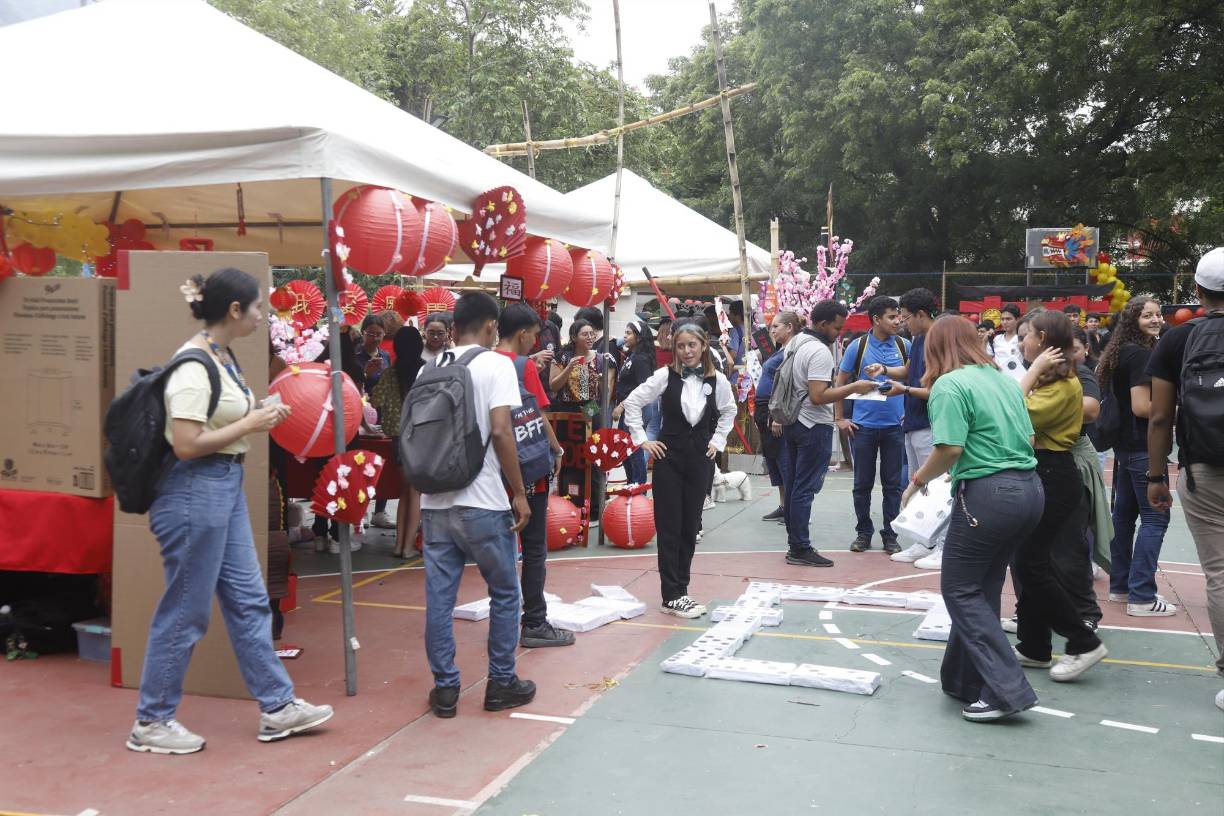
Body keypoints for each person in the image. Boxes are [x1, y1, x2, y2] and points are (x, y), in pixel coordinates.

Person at [127, 269, 332, 755]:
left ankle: (277, 706)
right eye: (257, 307)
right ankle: (152, 720)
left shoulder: (221, 357)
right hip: (194, 490)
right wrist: (253, 422)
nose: (263, 316)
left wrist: (258, 413)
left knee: (248, 600)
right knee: (186, 610)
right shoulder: (194, 365)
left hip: (222, 486)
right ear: (235, 310)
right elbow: (186, 443)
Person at [904, 315, 1042, 722]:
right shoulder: (1003, 380)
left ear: (935, 348)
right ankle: (963, 678)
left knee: (960, 589)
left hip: (989, 496)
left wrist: (917, 481)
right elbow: (1028, 437)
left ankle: (1006, 691)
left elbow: (949, 448)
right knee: (983, 587)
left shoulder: (949, 385)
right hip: (1029, 490)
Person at [420, 291, 535, 718]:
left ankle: (445, 689)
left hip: (435, 500)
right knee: (504, 592)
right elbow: (501, 431)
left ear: (453, 326)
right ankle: (501, 682)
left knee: (439, 599)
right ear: (491, 326)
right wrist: (518, 492)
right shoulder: (495, 365)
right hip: (483, 499)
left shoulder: (430, 367)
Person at [1147, 247, 1224, 710]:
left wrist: (1156, 475)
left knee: (1220, 572)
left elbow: (1160, 417)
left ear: (1197, 290)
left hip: (1204, 470)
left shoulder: (1177, 340)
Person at [1011, 311, 1107, 680]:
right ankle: (1034, 646)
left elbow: (1010, 412)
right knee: (1028, 562)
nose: (1022, 341)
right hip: (1042, 472)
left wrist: (1033, 371)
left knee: (1032, 563)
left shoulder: (1062, 384)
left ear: (1043, 340)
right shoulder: (1050, 379)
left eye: (1028, 335)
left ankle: (1084, 641)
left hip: (1053, 474)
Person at [622, 321, 736, 617]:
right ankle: (671, 595)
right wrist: (643, 440)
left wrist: (718, 441)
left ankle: (681, 590)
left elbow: (729, 410)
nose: (686, 351)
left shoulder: (717, 380)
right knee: (669, 526)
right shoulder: (664, 375)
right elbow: (632, 402)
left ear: (703, 346)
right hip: (669, 459)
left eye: (692, 345)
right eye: (681, 346)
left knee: (690, 526)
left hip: (700, 459)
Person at [775, 301, 878, 566]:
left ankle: (795, 544)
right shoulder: (819, 351)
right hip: (812, 425)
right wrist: (854, 387)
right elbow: (818, 395)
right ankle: (800, 547)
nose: (839, 333)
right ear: (822, 324)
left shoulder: (795, 343)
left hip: (793, 422)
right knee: (804, 489)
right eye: (836, 328)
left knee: (795, 486)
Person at [494, 304, 570, 648]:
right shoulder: (521, 365)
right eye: (535, 335)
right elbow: (536, 415)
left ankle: (504, 622)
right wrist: (557, 450)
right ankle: (535, 621)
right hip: (525, 467)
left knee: (500, 548)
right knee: (534, 547)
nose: (535, 342)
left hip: (491, 472)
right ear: (523, 333)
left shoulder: (482, 362)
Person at [1097, 296, 1175, 616]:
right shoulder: (1140, 355)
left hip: (1126, 447)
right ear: (1133, 321)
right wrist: (1179, 408)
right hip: (1143, 446)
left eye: (1158, 314)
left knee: (1124, 516)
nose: (1156, 320)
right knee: (1156, 517)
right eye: (1147, 316)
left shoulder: (1122, 351)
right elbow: (1142, 407)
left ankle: (1120, 586)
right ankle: (1142, 595)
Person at [836, 295, 911, 554]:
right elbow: (840, 382)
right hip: (863, 427)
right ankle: (863, 533)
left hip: (895, 427)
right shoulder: (858, 347)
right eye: (892, 317)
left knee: (893, 485)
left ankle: (890, 534)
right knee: (862, 484)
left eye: (899, 316)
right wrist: (840, 418)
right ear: (877, 319)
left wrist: (909, 411)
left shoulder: (904, 345)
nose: (898, 321)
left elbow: (912, 378)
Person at [884, 289, 943, 566]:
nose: (902, 323)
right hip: (914, 421)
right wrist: (884, 370)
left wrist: (905, 390)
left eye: (906, 318)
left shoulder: (939, 340)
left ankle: (943, 545)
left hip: (932, 424)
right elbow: (909, 371)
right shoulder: (918, 339)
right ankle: (924, 541)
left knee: (937, 485)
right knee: (919, 484)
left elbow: (939, 390)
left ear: (921, 314)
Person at [369, 326, 426, 555]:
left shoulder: (389, 374)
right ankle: (408, 546)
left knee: (405, 490)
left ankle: (399, 545)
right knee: (415, 492)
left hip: (397, 438)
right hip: (419, 437)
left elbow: (375, 401)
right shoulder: (425, 371)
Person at [755, 311, 800, 521]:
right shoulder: (780, 350)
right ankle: (783, 505)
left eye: (775, 326)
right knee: (773, 459)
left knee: (784, 460)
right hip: (764, 408)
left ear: (789, 327)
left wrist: (777, 416)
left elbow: (788, 385)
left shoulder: (793, 351)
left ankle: (793, 508)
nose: (772, 330)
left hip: (775, 409)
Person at [611, 320, 658, 486]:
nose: (625, 336)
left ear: (639, 337)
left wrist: (621, 405)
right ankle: (632, 483)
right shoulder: (632, 356)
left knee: (633, 447)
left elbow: (642, 389)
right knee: (625, 448)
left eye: (628, 333)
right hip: (629, 408)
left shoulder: (641, 359)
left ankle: (638, 486)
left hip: (636, 409)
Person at [356, 314, 390, 392]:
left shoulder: (385, 356)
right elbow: (350, 387)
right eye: (370, 334)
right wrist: (365, 374)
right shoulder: (354, 356)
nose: (375, 338)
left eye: (379, 334)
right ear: (362, 332)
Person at [992, 303, 1025, 382]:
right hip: (998, 380)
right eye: (1002, 319)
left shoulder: (1022, 339)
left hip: (1018, 380)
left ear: (1017, 319)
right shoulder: (997, 339)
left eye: (1008, 319)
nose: (1004, 322)